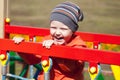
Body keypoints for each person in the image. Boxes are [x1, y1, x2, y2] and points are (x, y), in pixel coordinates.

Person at [13, 1, 86, 80]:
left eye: (63, 29)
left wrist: (56, 49)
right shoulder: (48, 39)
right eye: (53, 28)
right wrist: (22, 47)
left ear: (73, 31)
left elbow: (70, 69)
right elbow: (33, 59)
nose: (57, 32)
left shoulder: (78, 45)